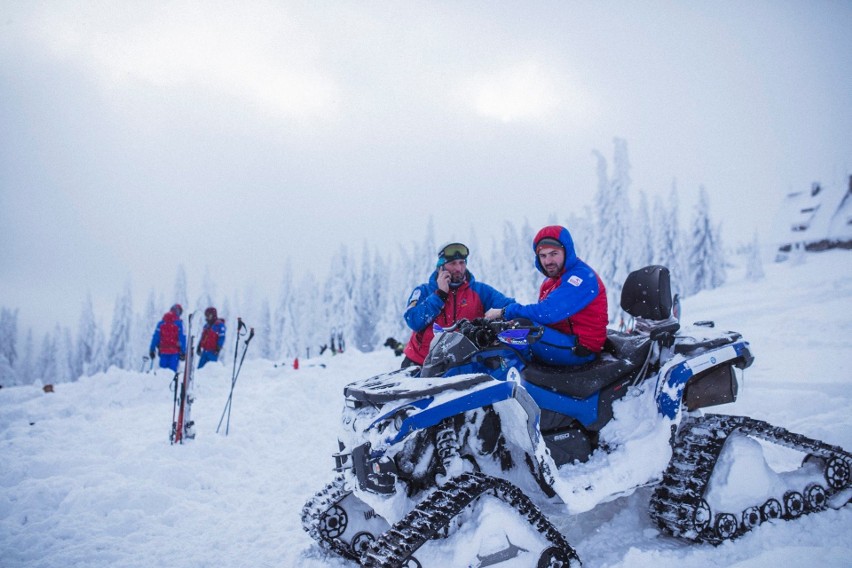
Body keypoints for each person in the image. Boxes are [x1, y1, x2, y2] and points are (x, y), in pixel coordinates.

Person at [485, 225, 608, 366]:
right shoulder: (551, 281)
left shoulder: (580, 277)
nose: (548, 261)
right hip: (563, 340)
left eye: (554, 253)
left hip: (581, 348)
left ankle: (520, 377)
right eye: (543, 256)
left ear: (566, 252)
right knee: (509, 330)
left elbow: (548, 312)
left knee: (520, 329)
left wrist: (505, 311)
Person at [401, 242, 514, 368]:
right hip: (419, 364)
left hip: (461, 366)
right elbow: (413, 321)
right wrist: (439, 295)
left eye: (462, 262)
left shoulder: (480, 291)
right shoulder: (423, 291)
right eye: (453, 263)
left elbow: (510, 307)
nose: (458, 268)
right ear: (441, 267)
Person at [149, 304, 187, 372]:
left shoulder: (161, 323)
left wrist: (152, 349)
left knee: (162, 372)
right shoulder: (179, 324)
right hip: (174, 352)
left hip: (163, 351)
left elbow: (156, 337)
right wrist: (183, 351)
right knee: (172, 373)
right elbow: (182, 338)